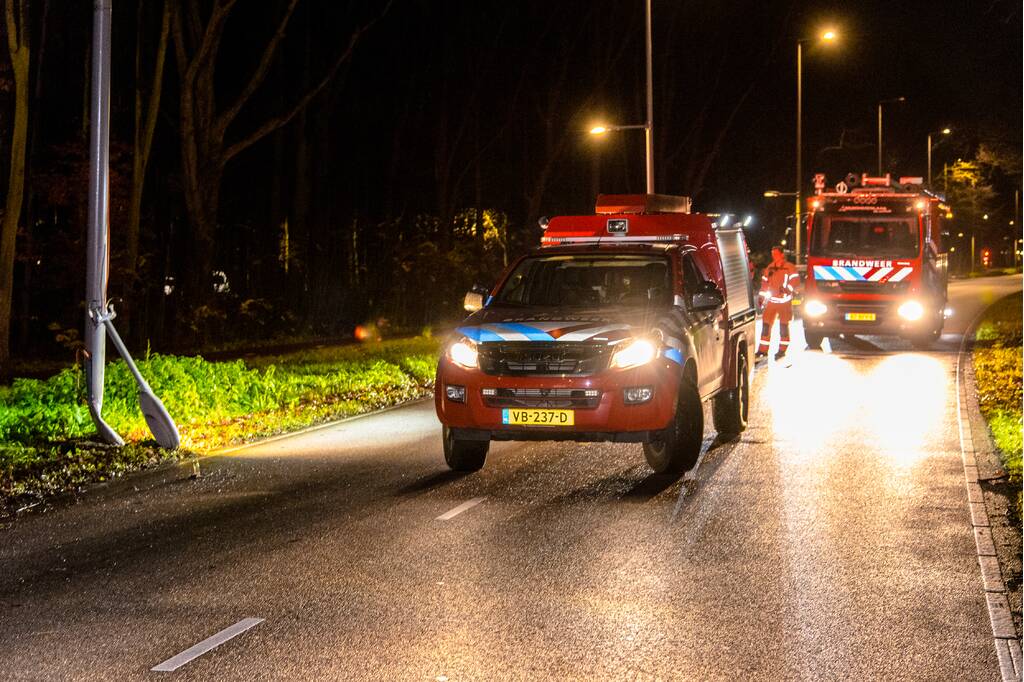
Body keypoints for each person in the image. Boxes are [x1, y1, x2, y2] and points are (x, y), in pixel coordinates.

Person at [756, 246, 799, 360]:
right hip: (772, 302)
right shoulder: (770, 268)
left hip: (784, 302)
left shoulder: (789, 267)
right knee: (766, 326)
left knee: (783, 327)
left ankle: (782, 350)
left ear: (781, 254)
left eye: (775, 253)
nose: (774, 256)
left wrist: (787, 289)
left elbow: (795, 281)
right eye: (772, 254)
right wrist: (761, 297)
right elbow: (764, 284)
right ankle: (763, 350)